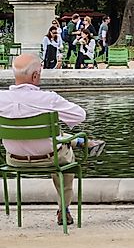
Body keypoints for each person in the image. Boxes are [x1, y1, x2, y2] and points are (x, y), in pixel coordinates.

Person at [0, 54, 106, 226]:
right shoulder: (48, 99)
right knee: (64, 155)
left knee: (52, 135)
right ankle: (63, 208)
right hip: (49, 158)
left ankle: (80, 142)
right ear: (35, 76)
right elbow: (80, 115)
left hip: (13, 159)